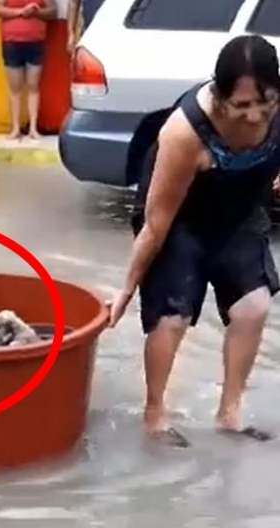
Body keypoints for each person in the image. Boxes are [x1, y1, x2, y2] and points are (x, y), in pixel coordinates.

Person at [109, 34, 280, 447]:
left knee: (254, 306)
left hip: (236, 212)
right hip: (178, 216)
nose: (256, 116)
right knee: (173, 317)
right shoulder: (186, 133)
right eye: (242, 106)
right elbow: (156, 224)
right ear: (220, 99)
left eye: (266, 102)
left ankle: (230, 414)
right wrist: (127, 288)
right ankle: (154, 416)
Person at [0, 0, 56, 140]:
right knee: (14, 88)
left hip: (35, 42)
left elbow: (52, 11)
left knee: (33, 86)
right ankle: (15, 128)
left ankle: (33, 128)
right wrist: (22, 12)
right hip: (11, 42)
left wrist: (36, 12)